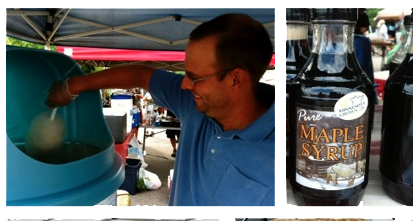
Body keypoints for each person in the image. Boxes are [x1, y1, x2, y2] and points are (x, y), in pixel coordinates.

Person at [47, 13, 275, 206]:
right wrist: (72, 87)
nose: (185, 85)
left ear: (235, 80)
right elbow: (140, 74)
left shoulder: (278, 155)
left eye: (195, 78)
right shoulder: (193, 103)